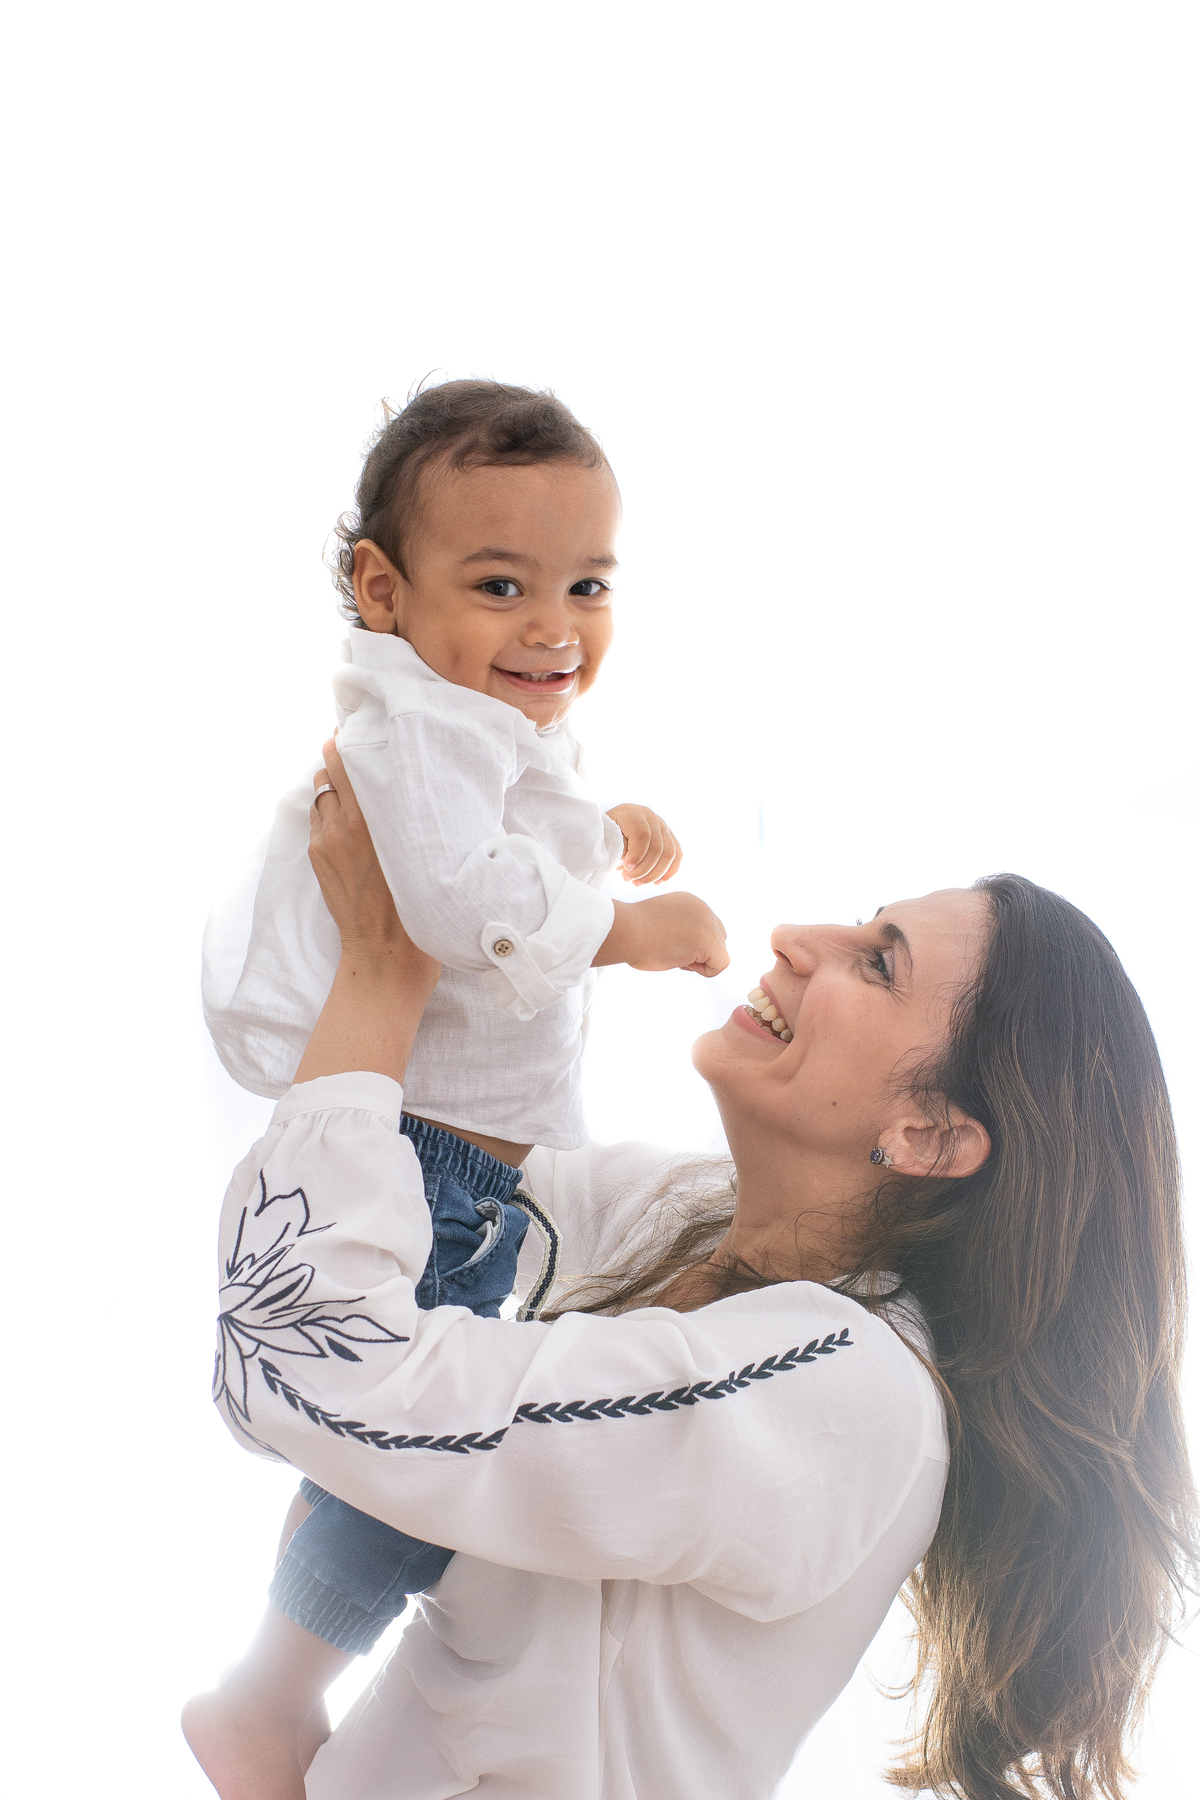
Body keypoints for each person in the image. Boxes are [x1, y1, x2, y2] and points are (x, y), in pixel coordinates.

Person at [185, 743, 1197, 1800]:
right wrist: (484, 859)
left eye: (878, 962)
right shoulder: (675, 1219)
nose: (800, 940)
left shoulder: (849, 1393)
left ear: (932, 1133)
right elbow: (412, 1171)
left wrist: (381, 975)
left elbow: (313, 1365)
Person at [191, 382, 728, 1795]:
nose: (555, 626)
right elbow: (450, 900)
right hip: (432, 1167)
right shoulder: (420, 727)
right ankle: (268, 1694)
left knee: (416, 1459)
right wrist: (631, 927)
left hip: (471, 1166)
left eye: (588, 584)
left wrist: (603, 830)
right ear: (384, 588)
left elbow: (508, 846)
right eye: (501, 585)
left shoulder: (474, 715)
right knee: (426, 1460)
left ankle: (282, 1685)